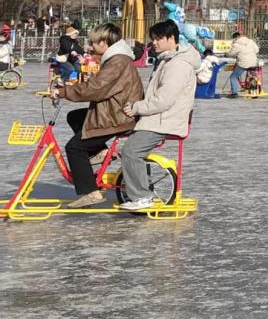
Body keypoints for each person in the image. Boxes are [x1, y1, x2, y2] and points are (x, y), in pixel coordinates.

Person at [48, 23, 144, 208]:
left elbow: (96, 88)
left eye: (93, 43)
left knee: (74, 148)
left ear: (104, 42)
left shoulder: (118, 61)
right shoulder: (116, 58)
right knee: (75, 117)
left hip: (118, 116)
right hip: (113, 110)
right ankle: (100, 150)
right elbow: (99, 85)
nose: (91, 47)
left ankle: (91, 193)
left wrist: (64, 92)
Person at [119, 19, 197, 212]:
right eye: (153, 38)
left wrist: (137, 108)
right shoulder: (168, 59)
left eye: (159, 38)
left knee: (131, 151)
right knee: (129, 145)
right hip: (160, 118)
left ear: (172, 39)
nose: (154, 42)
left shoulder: (177, 65)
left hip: (164, 121)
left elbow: (163, 99)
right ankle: (139, 189)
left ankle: (143, 196)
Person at [227, 31, 260, 98]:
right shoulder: (250, 41)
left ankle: (234, 93)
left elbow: (231, 53)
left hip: (243, 63)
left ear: (235, 38)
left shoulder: (236, 44)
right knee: (253, 76)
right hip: (253, 62)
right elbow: (257, 50)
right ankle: (254, 90)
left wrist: (226, 54)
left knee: (233, 77)